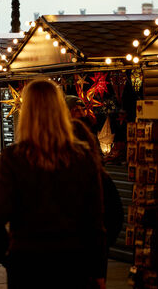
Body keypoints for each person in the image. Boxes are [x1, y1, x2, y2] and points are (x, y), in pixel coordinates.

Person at [0, 79, 107, 289]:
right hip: (74, 260)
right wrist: (98, 270)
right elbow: (95, 220)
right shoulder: (83, 156)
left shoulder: (13, 158)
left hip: (28, 260)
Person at [65, 97, 124, 277]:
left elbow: (112, 215)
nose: (81, 112)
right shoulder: (93, 177)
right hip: (85, 252)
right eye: (76, 109)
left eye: (81, 109)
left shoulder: (93, 176)